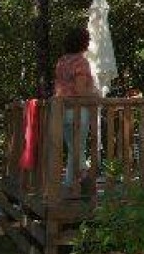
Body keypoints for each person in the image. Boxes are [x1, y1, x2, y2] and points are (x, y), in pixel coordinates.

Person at [54, 27, 100, 186]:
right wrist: (95, 95)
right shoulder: (81, 62)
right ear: (82, 42)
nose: (89, 43)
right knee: (77, 147)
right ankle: (84, 175)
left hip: (62, 109)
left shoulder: (62, 61)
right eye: (87, 40)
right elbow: (80, 90)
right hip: (78, 111)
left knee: (74, 148)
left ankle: (69, 184)